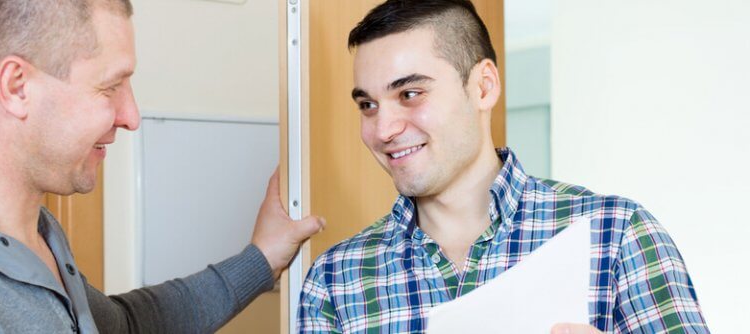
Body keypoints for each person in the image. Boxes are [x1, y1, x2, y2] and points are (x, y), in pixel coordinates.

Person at [0, 0, 324, 333]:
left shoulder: (28, 235)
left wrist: (263, 258)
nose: (132, 116)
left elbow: (129, 325)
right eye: (110, 86)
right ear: (17, 87)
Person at [297, 0, 707, 333]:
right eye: (367, 105)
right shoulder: (334, 281)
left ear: (483, 86)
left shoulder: (617, 234)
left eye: (410, 93)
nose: (383, 129)